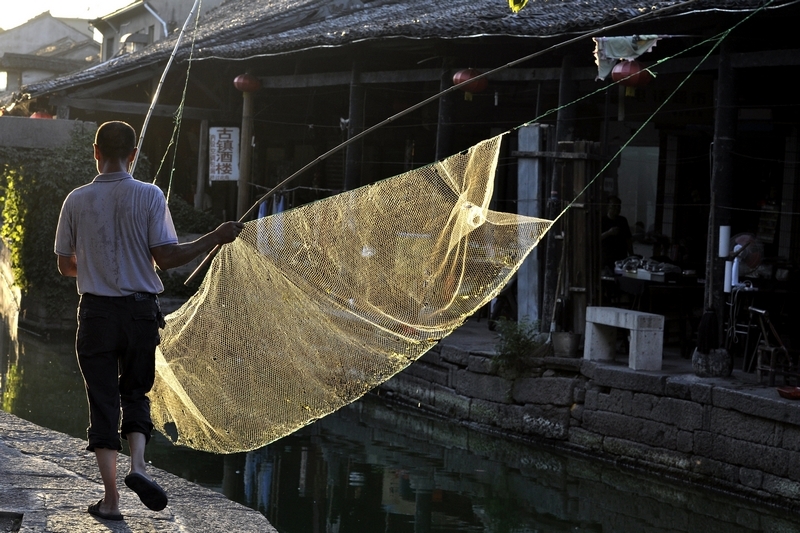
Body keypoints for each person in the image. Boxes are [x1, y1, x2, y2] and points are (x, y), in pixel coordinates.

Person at [54, 121, 244, 521]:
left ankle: (110, 501)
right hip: (141, 312)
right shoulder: (150, 195)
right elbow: (169, 258)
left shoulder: (75, 200)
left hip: (96, 312)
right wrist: (216, 235)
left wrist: (95, 267)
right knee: (136, 394)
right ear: (134, 154)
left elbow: (65, 266)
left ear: (95, 152)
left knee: (102, 402)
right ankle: (138, 467)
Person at [600, 195, 633, 272]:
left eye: (619, 206)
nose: (617, 208)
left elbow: (628, 239)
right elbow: (595, 238)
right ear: (608, 206)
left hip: (622, 258)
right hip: (607, 258)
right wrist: (608, 233)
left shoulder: (623, 220)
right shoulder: (602, 220)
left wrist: (631, 255)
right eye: (614, 206)